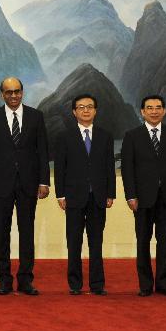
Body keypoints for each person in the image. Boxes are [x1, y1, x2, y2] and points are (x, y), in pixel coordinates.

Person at [0, 77, 49, 296]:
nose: (13, 96)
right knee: (2, 233)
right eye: (8, 92)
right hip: (1, 185)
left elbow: (43, 152)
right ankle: (4, 280)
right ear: (2, 94)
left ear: (22, 92)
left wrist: (44, 181)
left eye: (17, 91)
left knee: (27, 233)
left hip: (29, 184)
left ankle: (26, 279)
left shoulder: (36, 117)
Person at [121, 95, 166, 297]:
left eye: (158, 107)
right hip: (141, 198)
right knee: (143, 241)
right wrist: (130, 196)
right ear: (142, 112)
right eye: (149, 108)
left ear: (164, 111)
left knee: (164, 240)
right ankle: (145, 285)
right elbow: (127, 168)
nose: (154, 111)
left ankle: (165, 284)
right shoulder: (132, 136)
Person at [54, 94, 115, 296]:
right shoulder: (65, 137)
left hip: (98, 196)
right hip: (73, 196)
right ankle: (75, 284)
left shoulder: (105, 136)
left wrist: (111, 193)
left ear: (95, 111)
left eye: (90, 106)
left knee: (96, 242)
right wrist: (60, 194)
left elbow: (109, 167)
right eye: (81, 107)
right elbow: (60, 168)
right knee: (74, 241)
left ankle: (97, 284)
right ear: (74, 112)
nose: (86, 110)